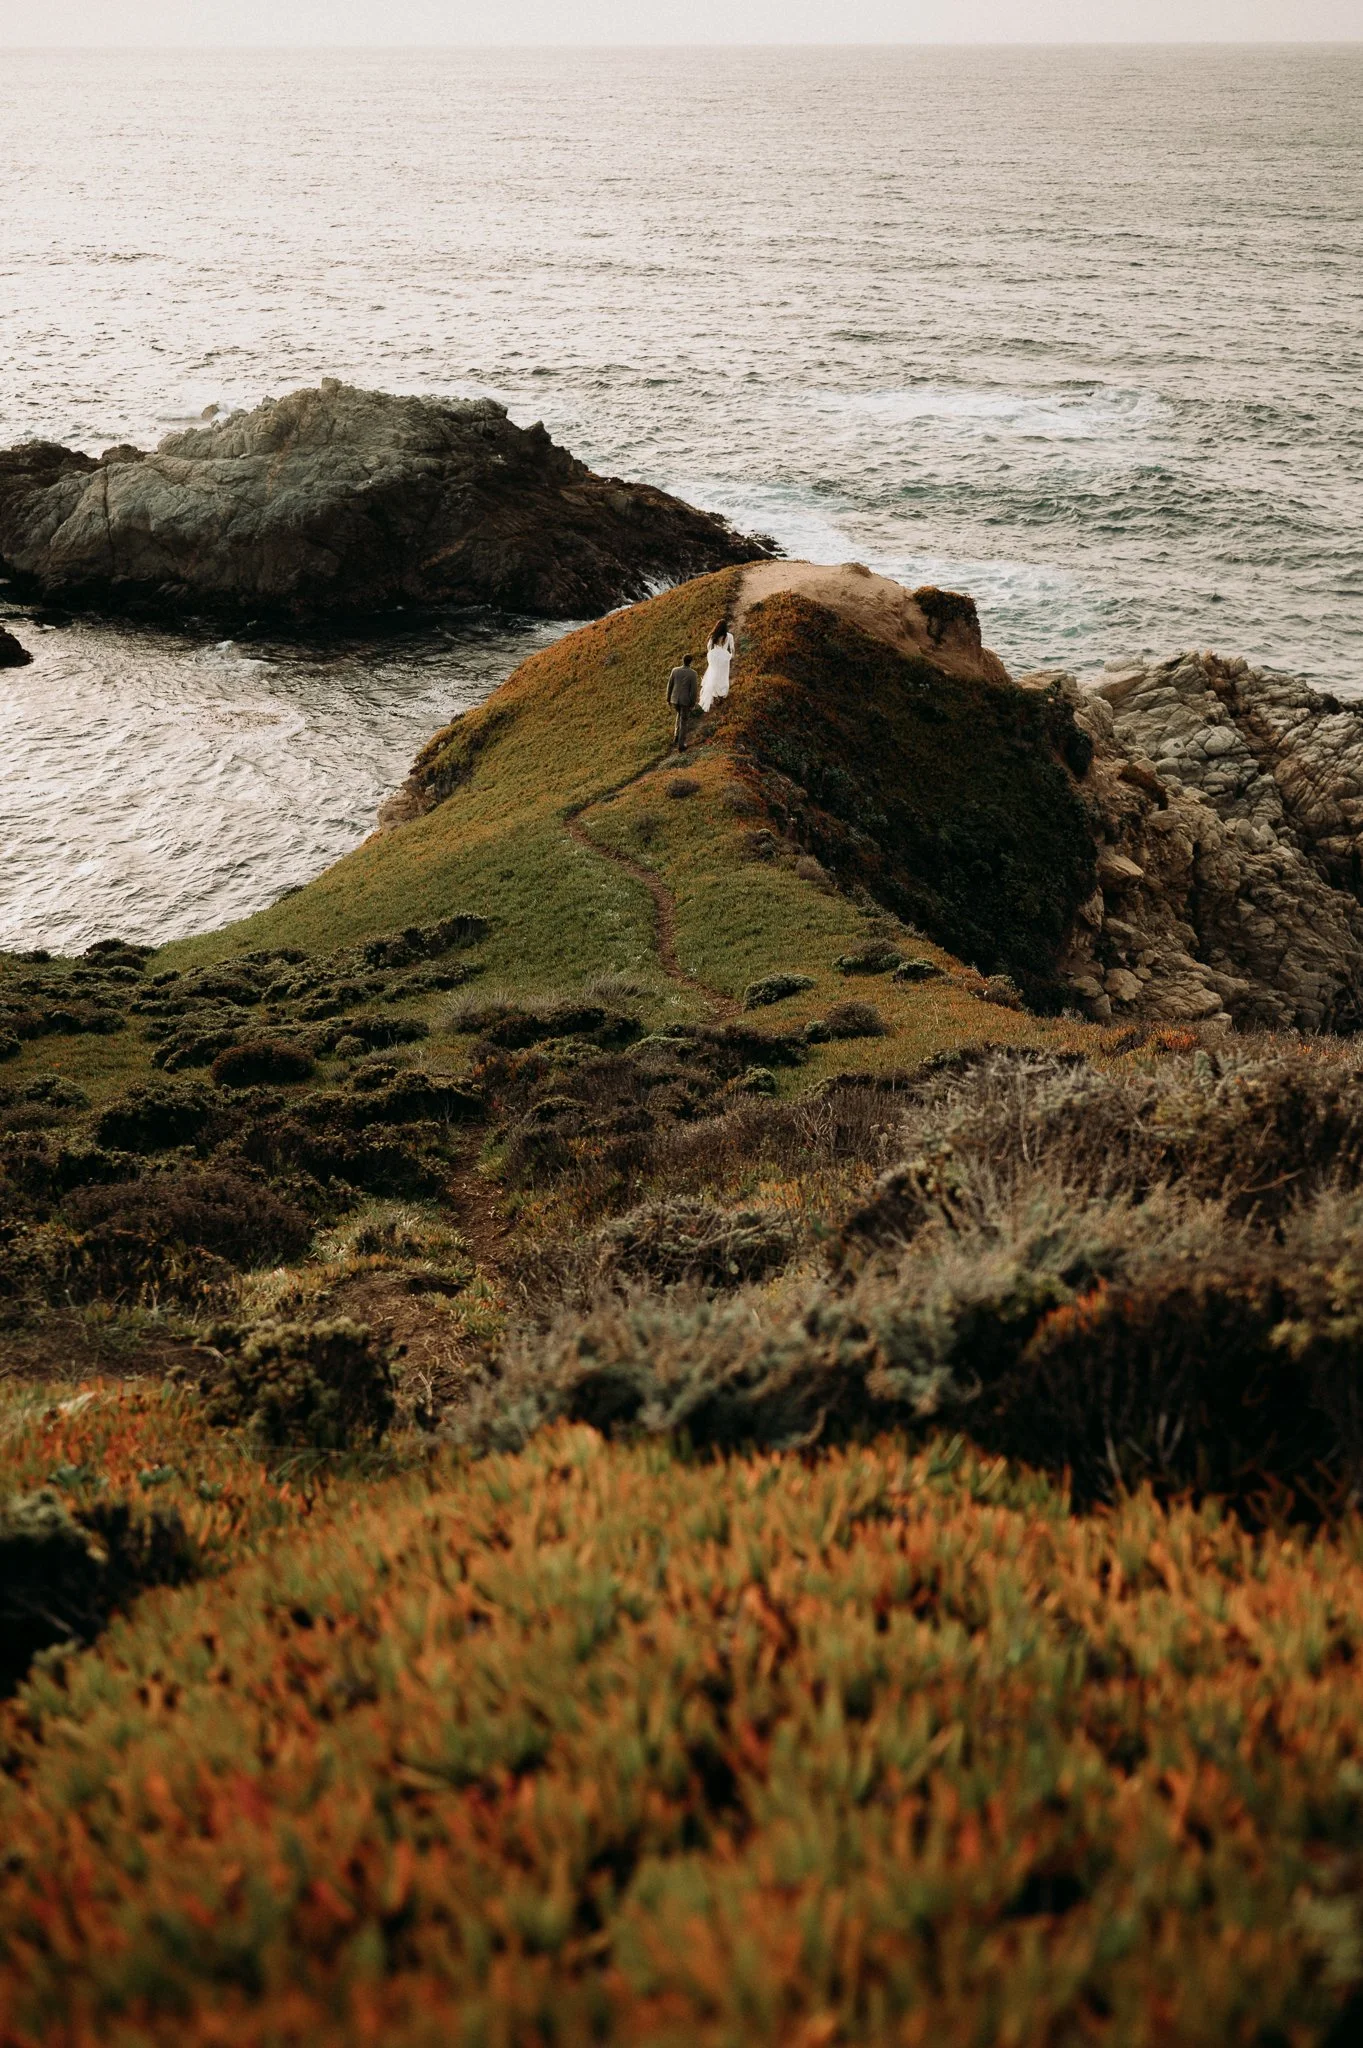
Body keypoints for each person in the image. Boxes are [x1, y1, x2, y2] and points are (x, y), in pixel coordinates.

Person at [699, 618, 735, 712]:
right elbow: (732, 648)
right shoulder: (729, 636)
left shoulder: (713, 636)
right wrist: (731, 656)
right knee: (723, 675)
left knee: (713, 674)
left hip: (713, 656)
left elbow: (708, 647)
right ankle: (722, 693)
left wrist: (712, 654)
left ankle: (715, 694)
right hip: (723, 657)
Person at [667, 653, 700, 750]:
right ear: (691, 662)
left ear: (683, 660)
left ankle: (676, 736)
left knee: (679, 714)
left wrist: (668, 698)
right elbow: (694, 691)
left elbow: (670, 685)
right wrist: (693, 703)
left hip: (674, 699)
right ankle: (681, 745)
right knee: (683, 721)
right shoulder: (693, 673)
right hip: (685, 701)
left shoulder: (675, 670)